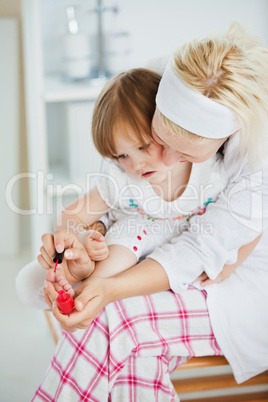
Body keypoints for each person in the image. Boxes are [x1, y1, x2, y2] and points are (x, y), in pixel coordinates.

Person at [17, 22, 268, 401]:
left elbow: (201, 255)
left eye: (183, 153)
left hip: (232, 272)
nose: (156, 161)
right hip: (156, 245)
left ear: (220, 144)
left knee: (110, 317)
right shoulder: (164, 83)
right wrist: (88, 234)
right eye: (158, 137)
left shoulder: (253, 168)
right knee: (133, 355)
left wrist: (106, 286)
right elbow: (111, 186)